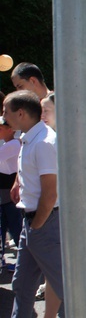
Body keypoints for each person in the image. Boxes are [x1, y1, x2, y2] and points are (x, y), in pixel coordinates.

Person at [0, 91, 62, 318]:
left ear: (21, 113)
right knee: (22, 287)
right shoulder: (29, 138)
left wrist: (36, 226)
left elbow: (50, 193)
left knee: (65, 287)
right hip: (33, 223)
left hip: (42, 223)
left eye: (5, 111)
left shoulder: (44, 142)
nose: (3, 116)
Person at [0, 113, 22, 272]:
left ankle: (25, 263)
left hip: (9, 193)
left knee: (16, 228)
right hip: (5, 193)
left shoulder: (13, 144)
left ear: (10, 129)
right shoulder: (8, 144)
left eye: (1, 127)